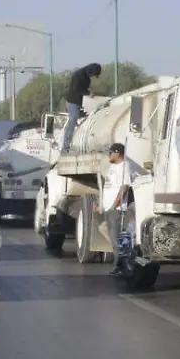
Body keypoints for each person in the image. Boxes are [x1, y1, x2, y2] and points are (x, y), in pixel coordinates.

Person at [98, 143, 144, 277]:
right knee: (111, 237)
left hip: (117, 210)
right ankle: (121, 264)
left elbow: (124, 188)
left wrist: (114, 205)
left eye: (111, 152)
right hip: (109, 209)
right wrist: (102, 205)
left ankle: (121, 267)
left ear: (118, 153)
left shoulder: (125, 167)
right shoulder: (113, 167)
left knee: (118, 240)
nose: (109, 155)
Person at [62, 63, 102, 151]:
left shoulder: (87, 79)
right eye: (93, 74)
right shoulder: (77, 75)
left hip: (81, 103)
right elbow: (76, 89)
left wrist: (90, 93)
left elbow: (83, 89)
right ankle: (65, 147)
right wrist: (88, 93)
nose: (92, 76)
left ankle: (76, 143)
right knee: (73, 119)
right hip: (72, 102)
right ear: (91, 71)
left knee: (85, 119)